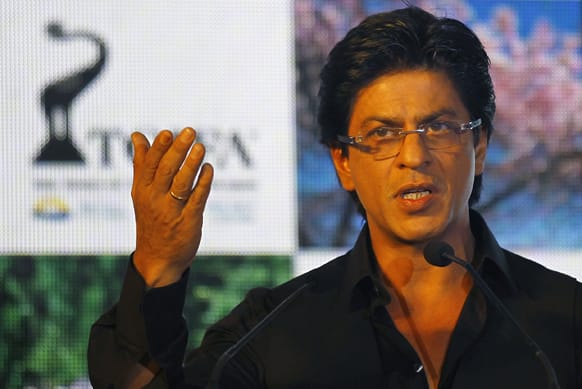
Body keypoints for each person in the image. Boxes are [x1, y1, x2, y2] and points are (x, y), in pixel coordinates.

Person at [88, 6, 582, 389]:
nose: (415, 155)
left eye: (439, 126)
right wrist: (157, 265)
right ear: (343, 163)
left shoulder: (566, 319)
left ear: (478, 145)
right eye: (382, 134)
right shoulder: (270, 331)